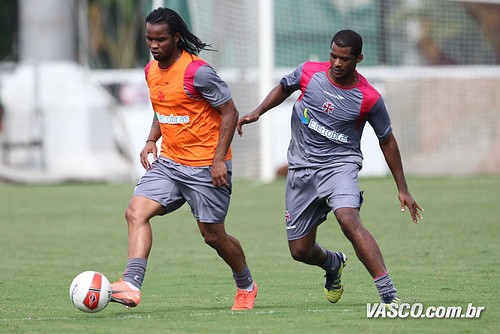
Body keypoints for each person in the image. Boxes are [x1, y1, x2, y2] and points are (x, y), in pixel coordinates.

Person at [237, 30, 423, 305]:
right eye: (333, 56)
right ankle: (332, 264)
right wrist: (257, 111)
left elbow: (387, 141)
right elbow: (284, 87)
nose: (337, 63)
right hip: (300, 169)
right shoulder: (309, 73)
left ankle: (389, 295)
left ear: (358, 58)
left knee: (349, 220)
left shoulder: (369, 98)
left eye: (344, 59)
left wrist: (403, 188)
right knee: (300, 251)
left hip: (340, 166)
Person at [110, 7, 257, 310]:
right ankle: (131, 284)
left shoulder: (198, 72)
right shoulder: (151, 71)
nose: (154, 46)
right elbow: (163, 107)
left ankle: (246, 285)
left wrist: (219, 161)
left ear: (176, 38)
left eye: (160, 39)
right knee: (135, 212)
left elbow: (230, 111)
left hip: (206, 166)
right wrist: (152, 139)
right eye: (149, 39)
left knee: (213, 236)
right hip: (170, 163)